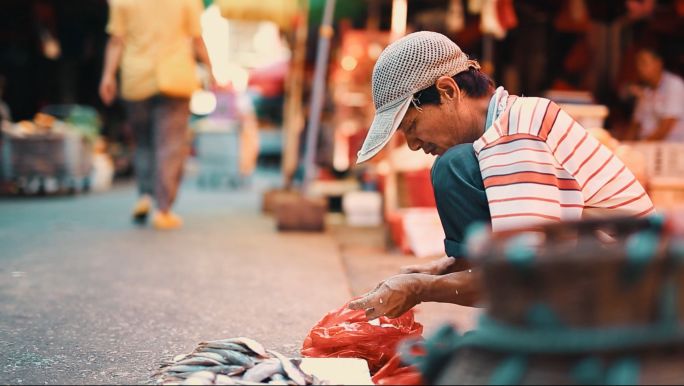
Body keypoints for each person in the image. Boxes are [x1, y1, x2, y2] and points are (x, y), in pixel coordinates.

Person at [348, 32, 655, 320]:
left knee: (452, 165)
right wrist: (432, 272)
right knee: (455, 166)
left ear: (448, 91)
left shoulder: (516, 131)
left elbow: (522, 274)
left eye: (412, 126)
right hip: (601, 285)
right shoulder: (507, 123)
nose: (413, 144)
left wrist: (418, 289)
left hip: (631, 300)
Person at [99, 0, 212, 230]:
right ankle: (163, 209)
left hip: (136, 79)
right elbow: (197, 39)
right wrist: (212, 70)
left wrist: (108, 76)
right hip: (176, 78)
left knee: (143, 143)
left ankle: (145, 196)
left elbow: (116, 40)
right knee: (170, 145)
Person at [625, 47, 684, 142]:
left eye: (644, 62)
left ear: (658, 63)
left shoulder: (675, 85)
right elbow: (636, 123)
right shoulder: (645, 90)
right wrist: (626, 145)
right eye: (638, 63)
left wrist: (643, 145)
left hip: (671, 147)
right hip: (649, 145)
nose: (640, 67)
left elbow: (667, 126)